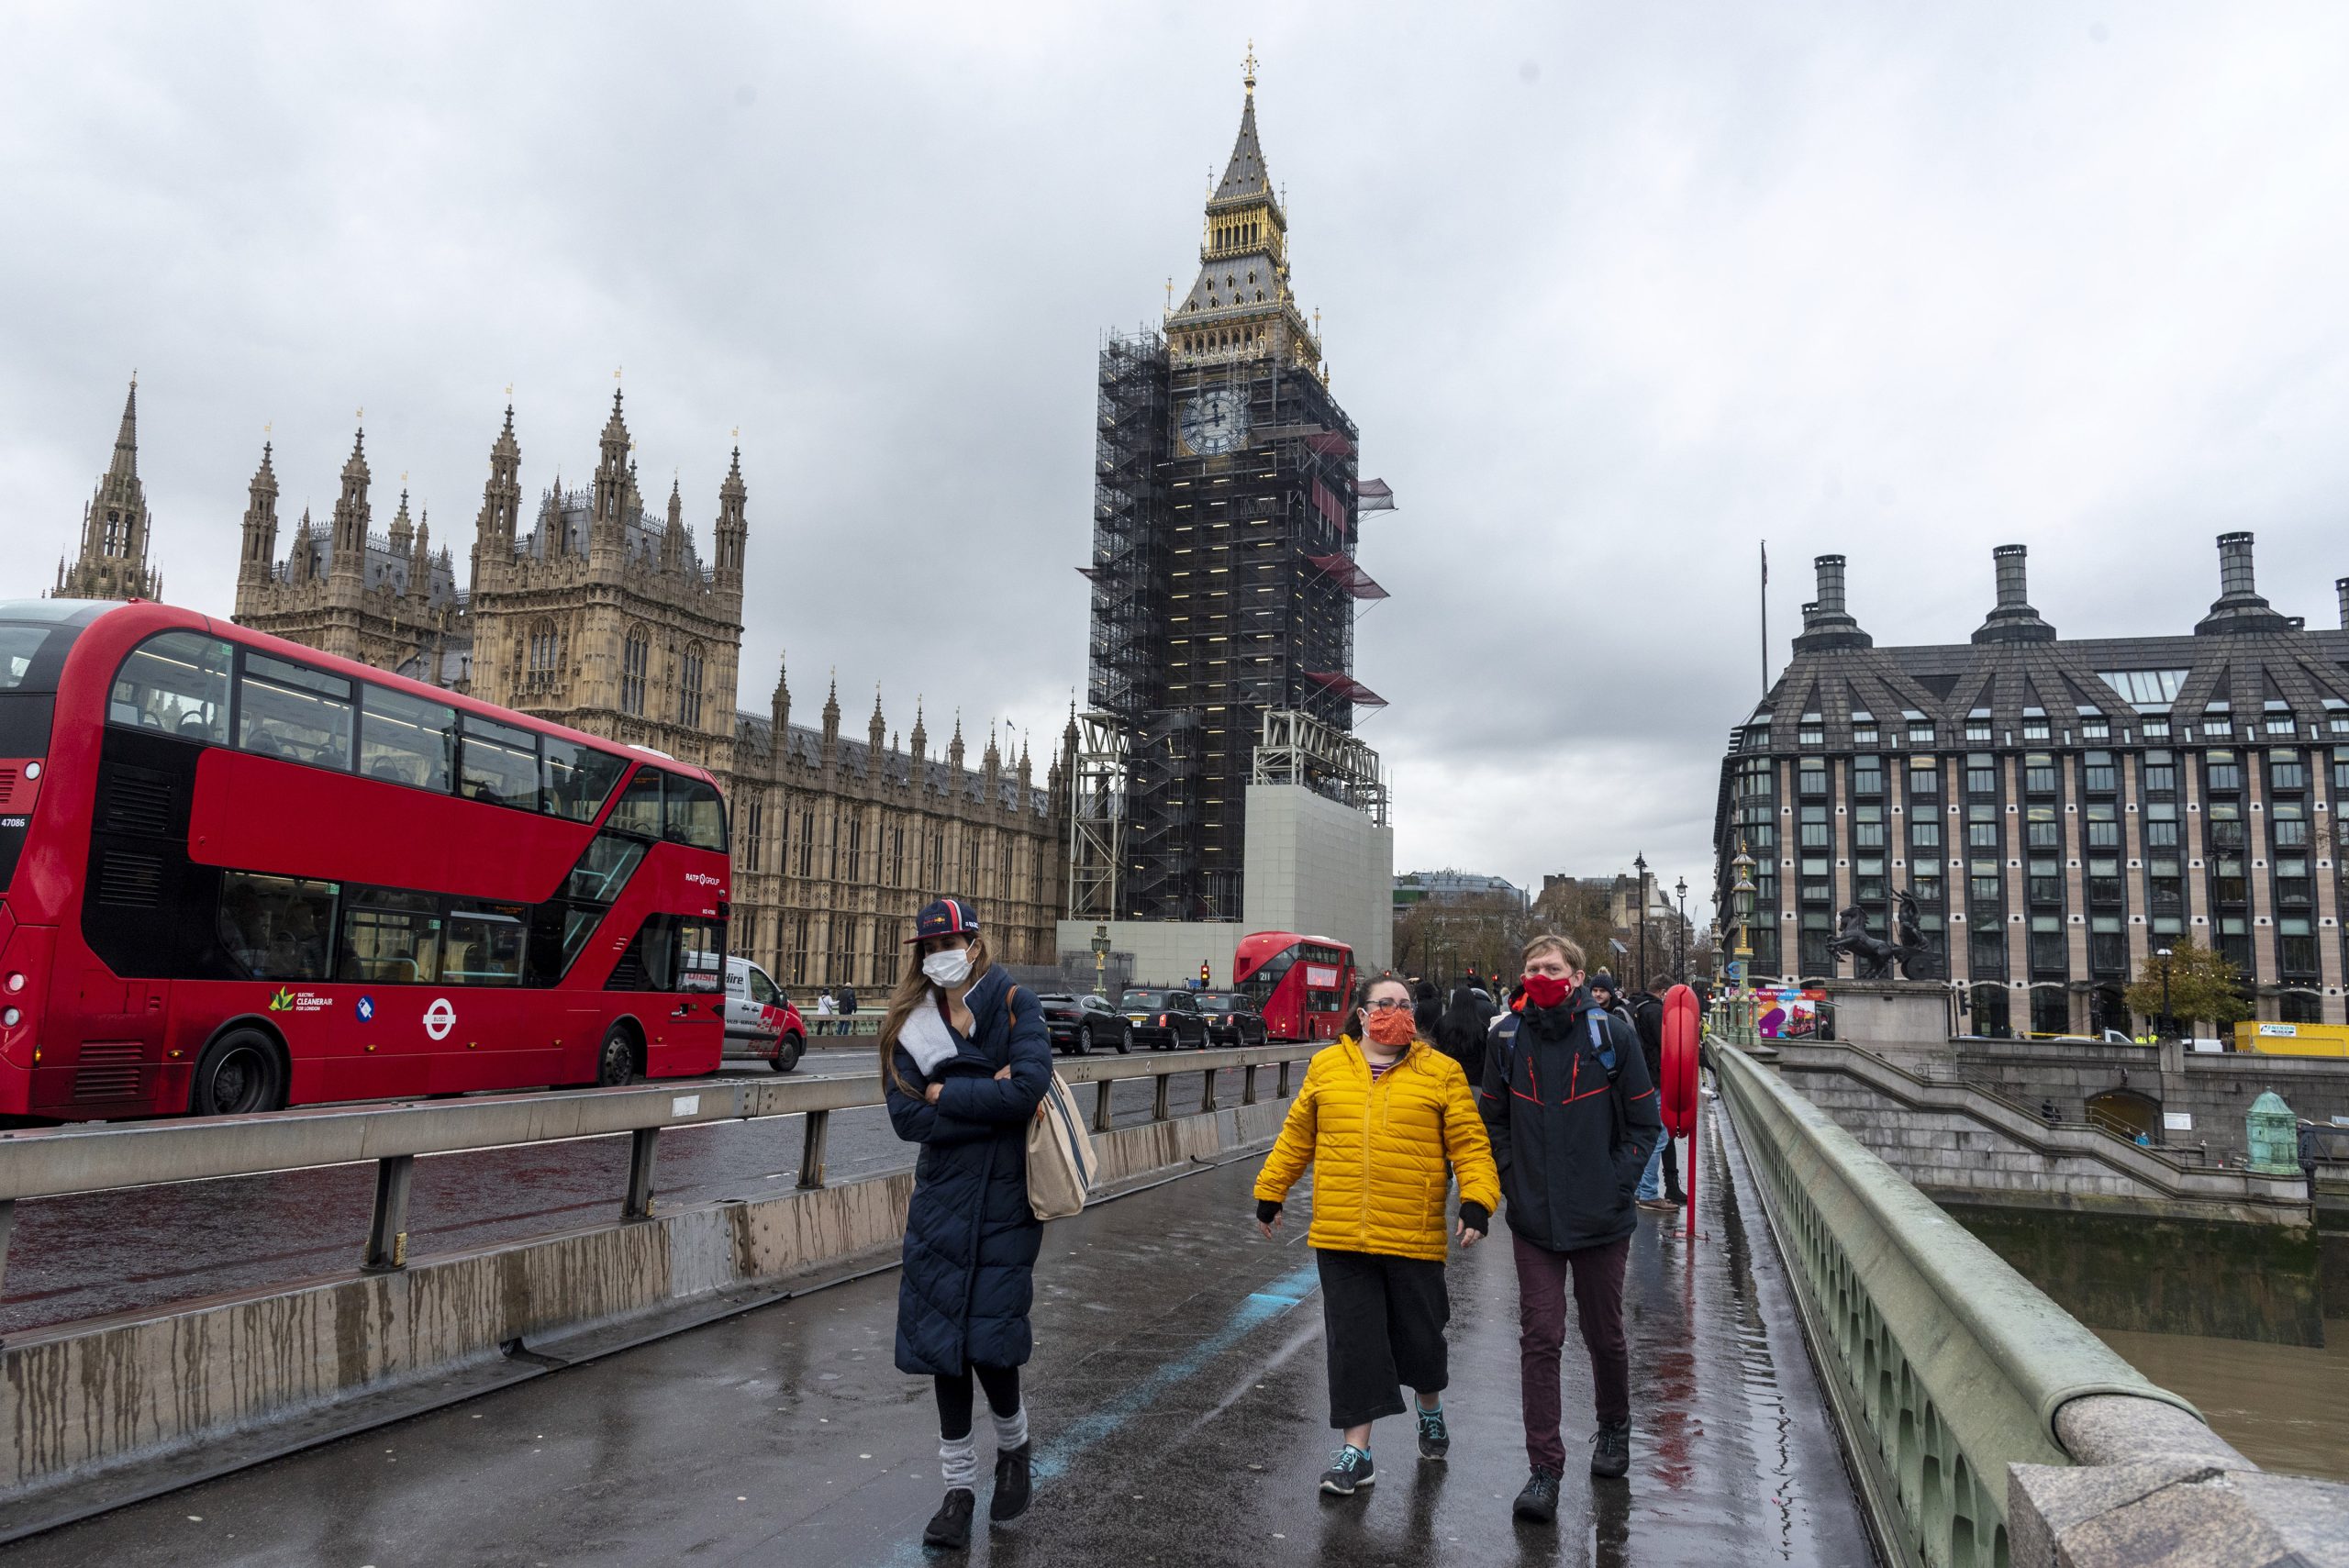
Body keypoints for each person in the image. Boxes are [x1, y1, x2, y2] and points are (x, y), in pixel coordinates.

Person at [1254, 973, 1500, 1500]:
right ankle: (1357, 1452)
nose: (1396, 1012)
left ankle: (1429, 1410)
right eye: (1384, 1003)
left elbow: (1471, 1145)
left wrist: (1478, 1201)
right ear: (1362, 1014)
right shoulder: (1326, 1067)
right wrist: (1270, 1192)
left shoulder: (1441, 1073)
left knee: (1421, 1337)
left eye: (1405, 1004)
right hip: (1341, 1235)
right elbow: (1297, 1137)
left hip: (1412, 1234)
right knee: (1354, 1345)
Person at [881, 897, 1052, 1550]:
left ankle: (1014, 1447)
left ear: (975, 942)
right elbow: (906, 1118)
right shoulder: (911, 1021)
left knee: (991, 1339)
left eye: (949, 940)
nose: (938, 954)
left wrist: (948, 1090)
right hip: (941, 1202)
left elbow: (1027, 1089)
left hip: (1007, 1200)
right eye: (928, 946)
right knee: (942, 1344)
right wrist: (990, 1094)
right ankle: (957, 1489)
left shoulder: (1014, 1003)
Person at [1480, 934, 1663, 1521]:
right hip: (1535, 1216)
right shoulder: (1506, 1039)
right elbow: (1494, 1122)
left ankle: (1613, 1426)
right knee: (1540, 1337)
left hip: (1602, 1217)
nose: (1542, 974)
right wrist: (1513, 1182)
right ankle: (1544, 1470)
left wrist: (1617, 1187)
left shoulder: (1613, 1035)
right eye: (1533, 967)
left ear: (1577, 976)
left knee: (1603, 1332)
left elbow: (1644, 1122)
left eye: (1553, 967)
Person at [1629, 990, 1685, 1213]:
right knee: (1659, 1136)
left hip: (1641, 1080)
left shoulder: (1637, 1008)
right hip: (1655, 1079)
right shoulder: (1655, 1011)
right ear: (1663, 993)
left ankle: (1640, 1189)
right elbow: (1668, 1047)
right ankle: (1648, 1192)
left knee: (1644, 1134)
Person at [1433, 982, 1491, 1088]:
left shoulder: (1441, 1023)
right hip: (1474, 1081)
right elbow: (1486, 1057)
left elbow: (1433, 1049)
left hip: (1446, 1079)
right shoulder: (1481, 1028)